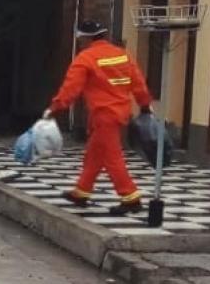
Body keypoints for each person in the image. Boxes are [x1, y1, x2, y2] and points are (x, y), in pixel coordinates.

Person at [44, 20, 153, 215]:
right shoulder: (122, 55)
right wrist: (144, 105)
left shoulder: (86, 58)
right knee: (94, 155)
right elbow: (138, 83)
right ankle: (82, 192)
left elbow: (71, 89)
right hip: (119, 114)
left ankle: (131, 198)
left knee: (112, 157)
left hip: (103, 115)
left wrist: (55, 107)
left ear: (85, 38)